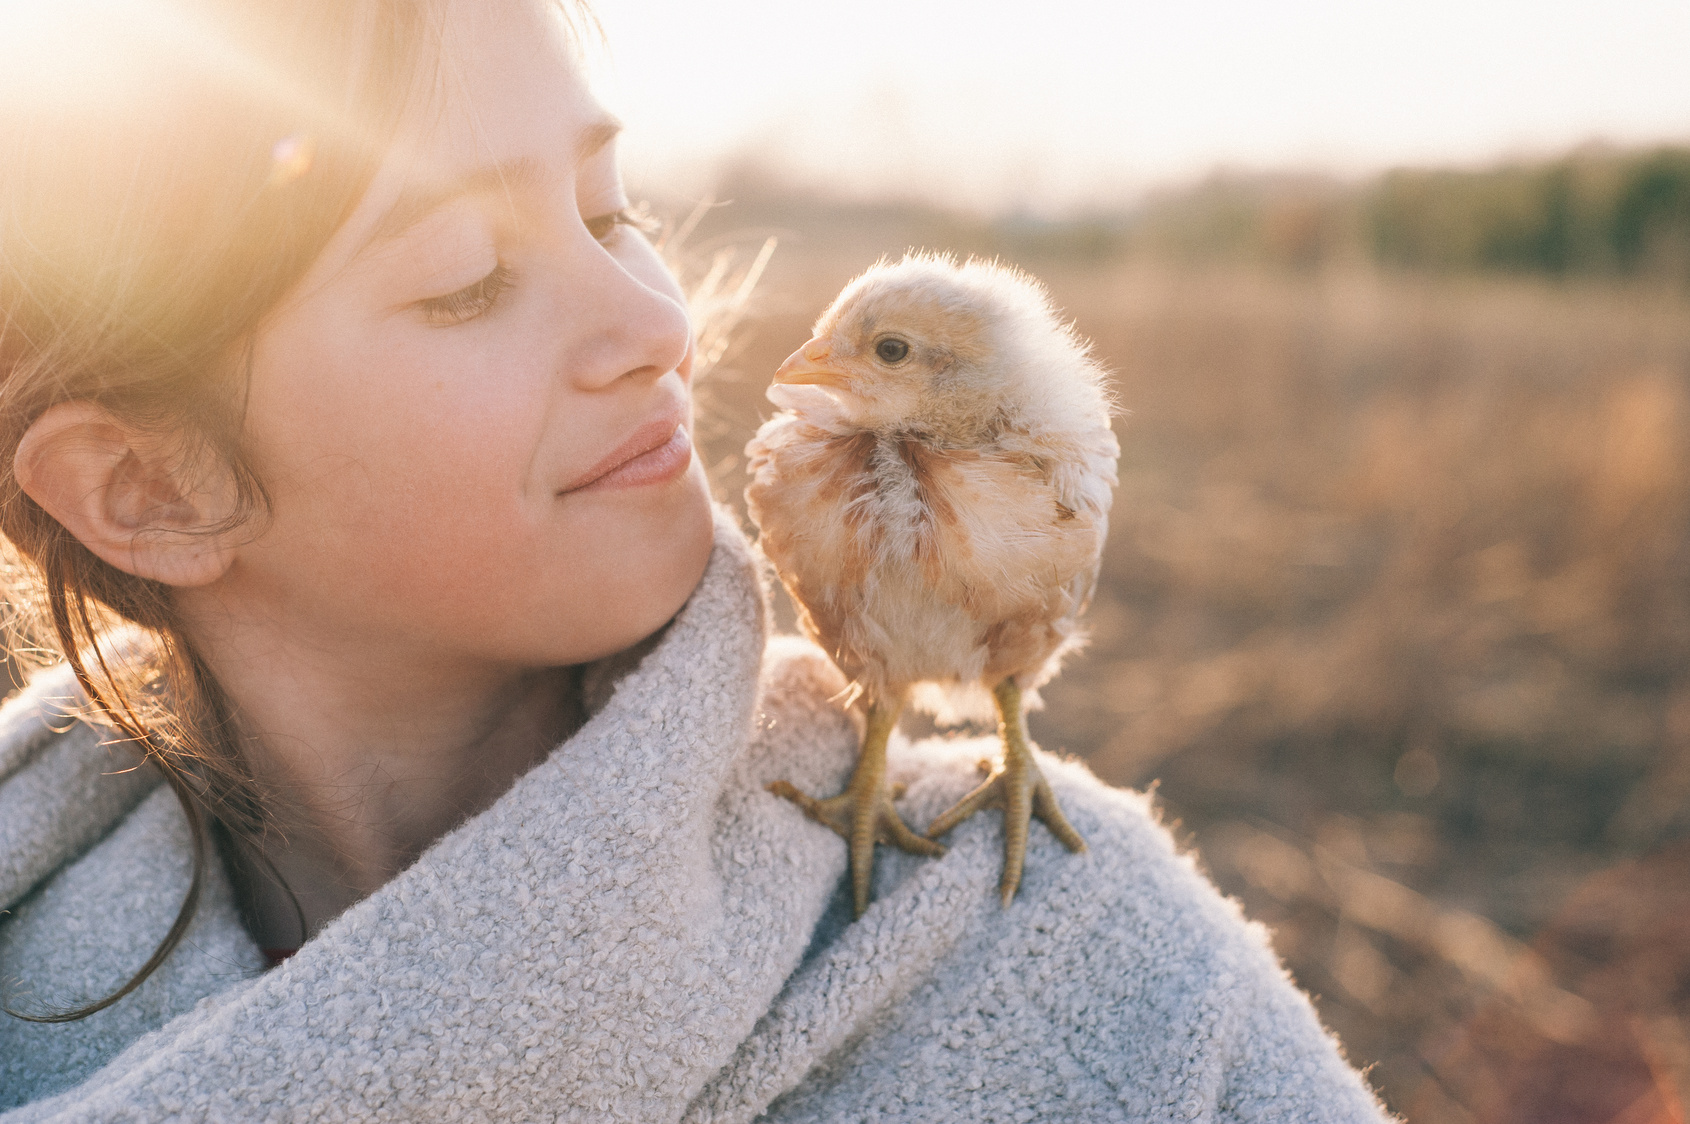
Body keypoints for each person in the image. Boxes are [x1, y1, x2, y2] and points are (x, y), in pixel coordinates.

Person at [0, 1, 1392, 1119]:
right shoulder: (30, 998)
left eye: (614, 212)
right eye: (467, 277)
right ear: (145, 488)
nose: (655, 321)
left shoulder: (1079, 957)